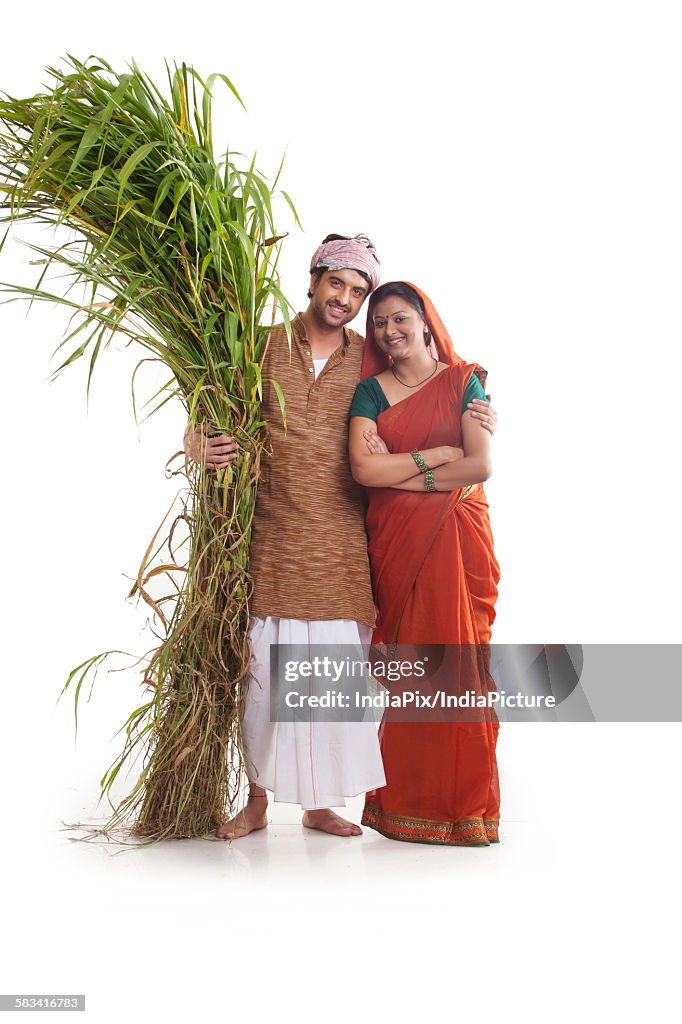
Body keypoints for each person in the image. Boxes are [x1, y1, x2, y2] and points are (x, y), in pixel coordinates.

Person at [186, 247, 498, 840]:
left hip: (344, 538)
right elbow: (210, 407)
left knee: (332, 674)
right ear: (312, 281)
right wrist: (196, 440)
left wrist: (479, 410)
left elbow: (428, 385)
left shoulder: (368, 357)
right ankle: (255, 800)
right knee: (260, 672)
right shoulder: (259, 343)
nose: (346, 300)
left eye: (359, 292)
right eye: (337, 284)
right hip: (269, 531)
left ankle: (319, 801)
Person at [348, 281, 501, 846]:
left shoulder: (465, 382)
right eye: (379, 323)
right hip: (399, 547)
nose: (389, 332)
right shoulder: (370, 393)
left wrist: (409, 476)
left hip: (457, 545)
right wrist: (436, 459)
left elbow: (480, 465)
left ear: (425, 321)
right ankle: (404, 805)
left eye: (399, 319)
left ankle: (463, 808)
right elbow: (364, 473)